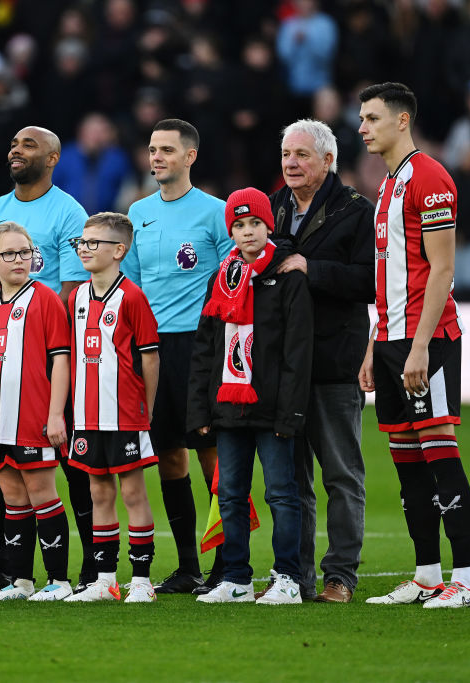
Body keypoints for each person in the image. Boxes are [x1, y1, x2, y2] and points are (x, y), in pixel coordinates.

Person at [357, 82, 470, 608]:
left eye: (372, 118)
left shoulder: (430, 178)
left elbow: (443, 269)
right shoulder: (389, 185)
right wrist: (373, 344)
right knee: (407, 464)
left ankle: (467, 581)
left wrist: (420, 347)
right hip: (389, 340)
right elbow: (390, 276)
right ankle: (428, 574)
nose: (363, 127)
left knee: (440, 455)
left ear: (402, 121)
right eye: (362, 119)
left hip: (425, 341)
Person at [0, 125, 98, 589]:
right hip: (2, 396)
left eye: (29, 145)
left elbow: (73, 289)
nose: (16, 151)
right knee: (11, 490)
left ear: (54, 157)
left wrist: (36, 338)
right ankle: (12, 575)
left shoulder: (68, 211)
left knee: (69, 478)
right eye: (14, 143)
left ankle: (85, 572)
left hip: (46, 374)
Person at [121, 119, 233, 595]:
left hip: (201, 347)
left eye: (167, 149)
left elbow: (234, 278)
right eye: (152, 149)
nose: (157, 157)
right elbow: (130, 286)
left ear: (190, 156)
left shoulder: (215, 212)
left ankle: (228, 565)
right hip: (153, 350)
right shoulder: (137, 212)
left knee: (213, 456)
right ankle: (188, 566)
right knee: (168, 457)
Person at [266, 119, 375, 603]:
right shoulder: (273, 207)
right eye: (287, 154)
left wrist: (313, 269)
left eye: (302, 155)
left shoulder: (355, 210)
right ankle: (296, 576)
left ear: (328, 160)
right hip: (285, 365)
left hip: (334, 360)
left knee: (340, 474)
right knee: (292, 480)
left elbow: (372, 282)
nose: (291, 163)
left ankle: (340, 576)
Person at [190, 188, 313, 605]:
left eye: (254, 224)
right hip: (228, 407)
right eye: (239, 226)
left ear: (268, 226)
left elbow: (299, 350)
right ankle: (237, 579)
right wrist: (201, 410)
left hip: (273, 408)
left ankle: (288, 579)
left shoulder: (289, 275)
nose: (247, 232)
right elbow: (206, 348)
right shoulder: (221, 278)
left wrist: (291, 412)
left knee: (281, 492)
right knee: (230, 494)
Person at [62, 212, 161, 604]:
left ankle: (141, 581)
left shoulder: (132, 297)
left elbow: (150, 359)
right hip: (87, 416)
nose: (84, 250)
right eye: (81, 243)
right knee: (98, 493)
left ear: (119, 250)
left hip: (124, 415)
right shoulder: (76, 297)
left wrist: (146, 411)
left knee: (134, 493)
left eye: (93, 243)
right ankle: (105, 579)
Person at [0, 223, 75, 602]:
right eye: (9, 254)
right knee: (13, 500)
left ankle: (59, 580)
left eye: (25, 252)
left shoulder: (45, 299)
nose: (19, 260)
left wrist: (55, 415)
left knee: (42, 494)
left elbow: (61, 361)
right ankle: (20, 581)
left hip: (33, 421)